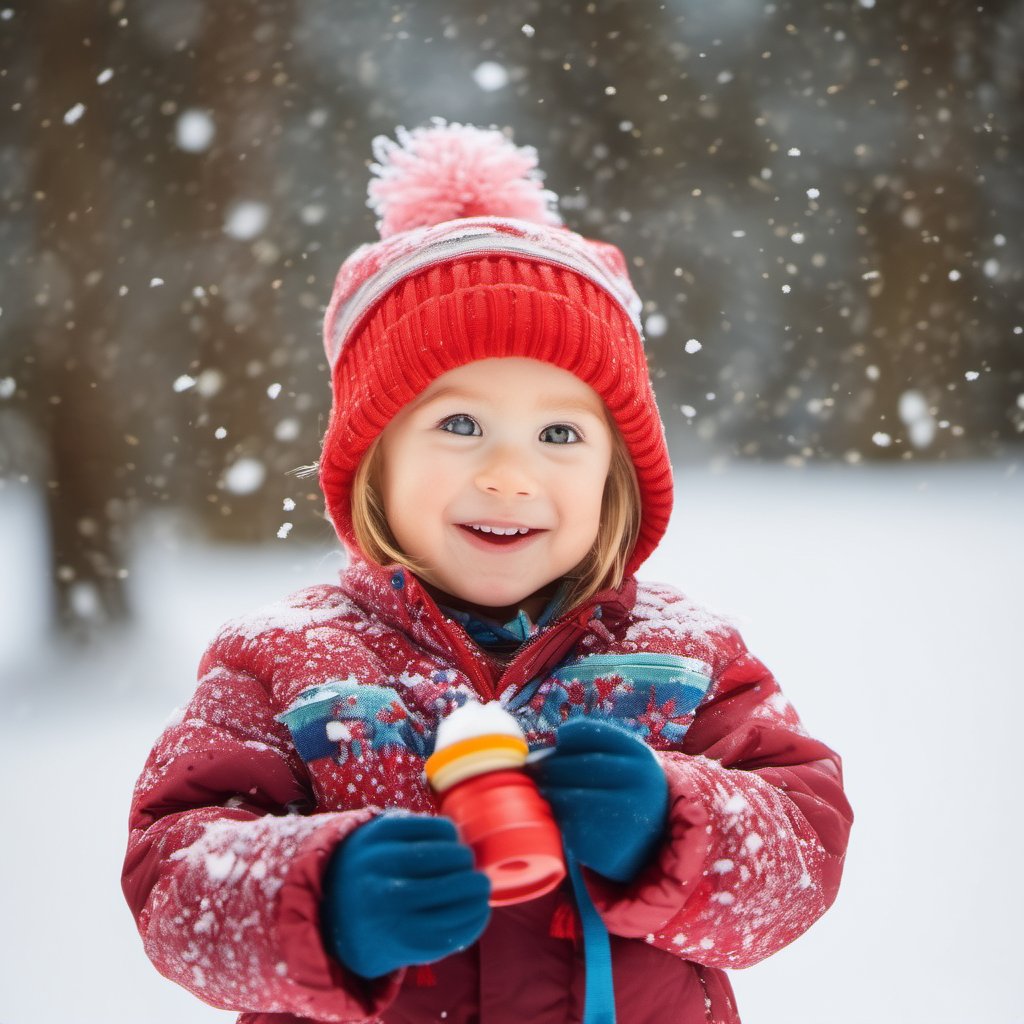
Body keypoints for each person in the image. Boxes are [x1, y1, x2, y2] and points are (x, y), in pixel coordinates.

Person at [122, 120, 852, 1024]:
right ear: (373, 462)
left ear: (615, 476)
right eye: (460, 425)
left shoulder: (684, 658)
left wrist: (671, 827)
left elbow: (804, 848)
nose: (510, 473)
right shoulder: (283, 664)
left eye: (560, 434)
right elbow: (173, 880)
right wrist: (326, 898)